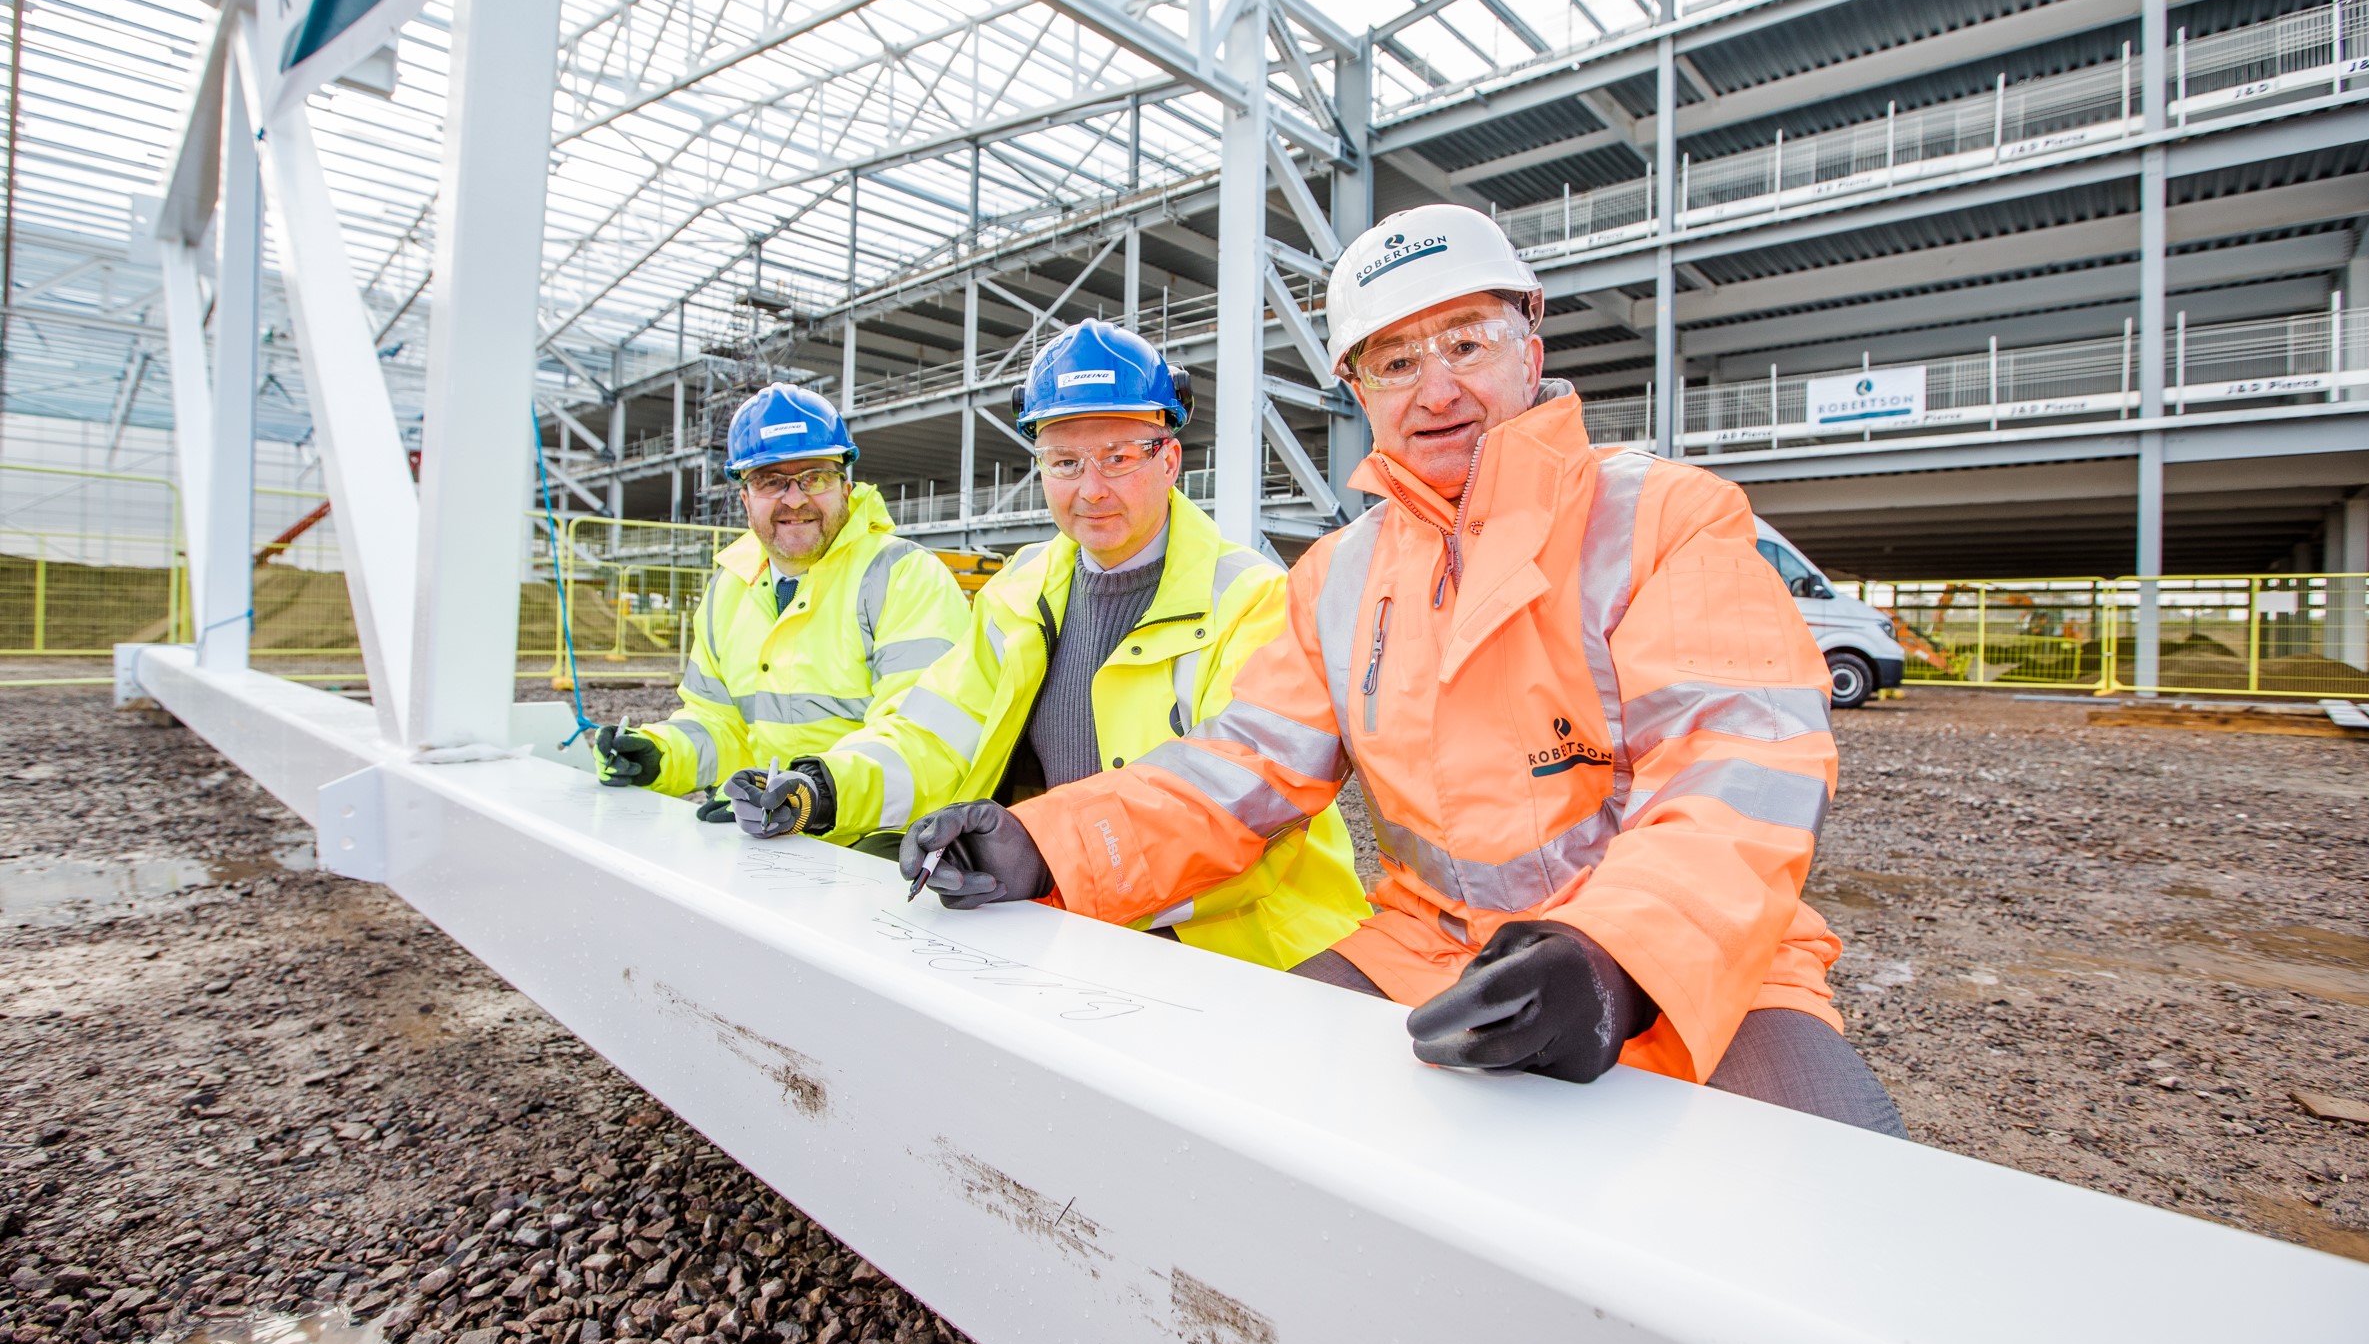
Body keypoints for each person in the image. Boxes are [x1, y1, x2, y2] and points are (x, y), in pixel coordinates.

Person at [895, 207, 1904, 1134]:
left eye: (1466, 343)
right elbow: (1241, 769)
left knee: (1826, 1209)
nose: (1436, 389)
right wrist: (1045, 842)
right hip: (1431, 948)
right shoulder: (1342, 576)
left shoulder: (1667, 519)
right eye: (1394, 362)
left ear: (1530, 352)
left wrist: (1617, 957)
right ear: (1357, 391)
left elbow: (1737, 768)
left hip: (1699, 956)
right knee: (1236, 1130)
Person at [723, 319, 1370, 977]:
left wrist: (1048, 851)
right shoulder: (1019, 593)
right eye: (1065, 462)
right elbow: (936, 733)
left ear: (1169, 458)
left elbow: (1236, 804)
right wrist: (823, 787)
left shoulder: (1251, 601)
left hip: (1248, 952)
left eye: (1119, 457)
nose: (1091, 488)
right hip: (1079, 916)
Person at [593, 384, 969, 843]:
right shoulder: (728, 587)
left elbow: (926, 739)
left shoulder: (903, 576)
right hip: (772, 828)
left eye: (815, 477)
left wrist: (817, 793)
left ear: (846, 487)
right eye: (771, 480)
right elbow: (720, 725)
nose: (794, 499)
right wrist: (660, 756)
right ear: (746, 498)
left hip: (887, 840)